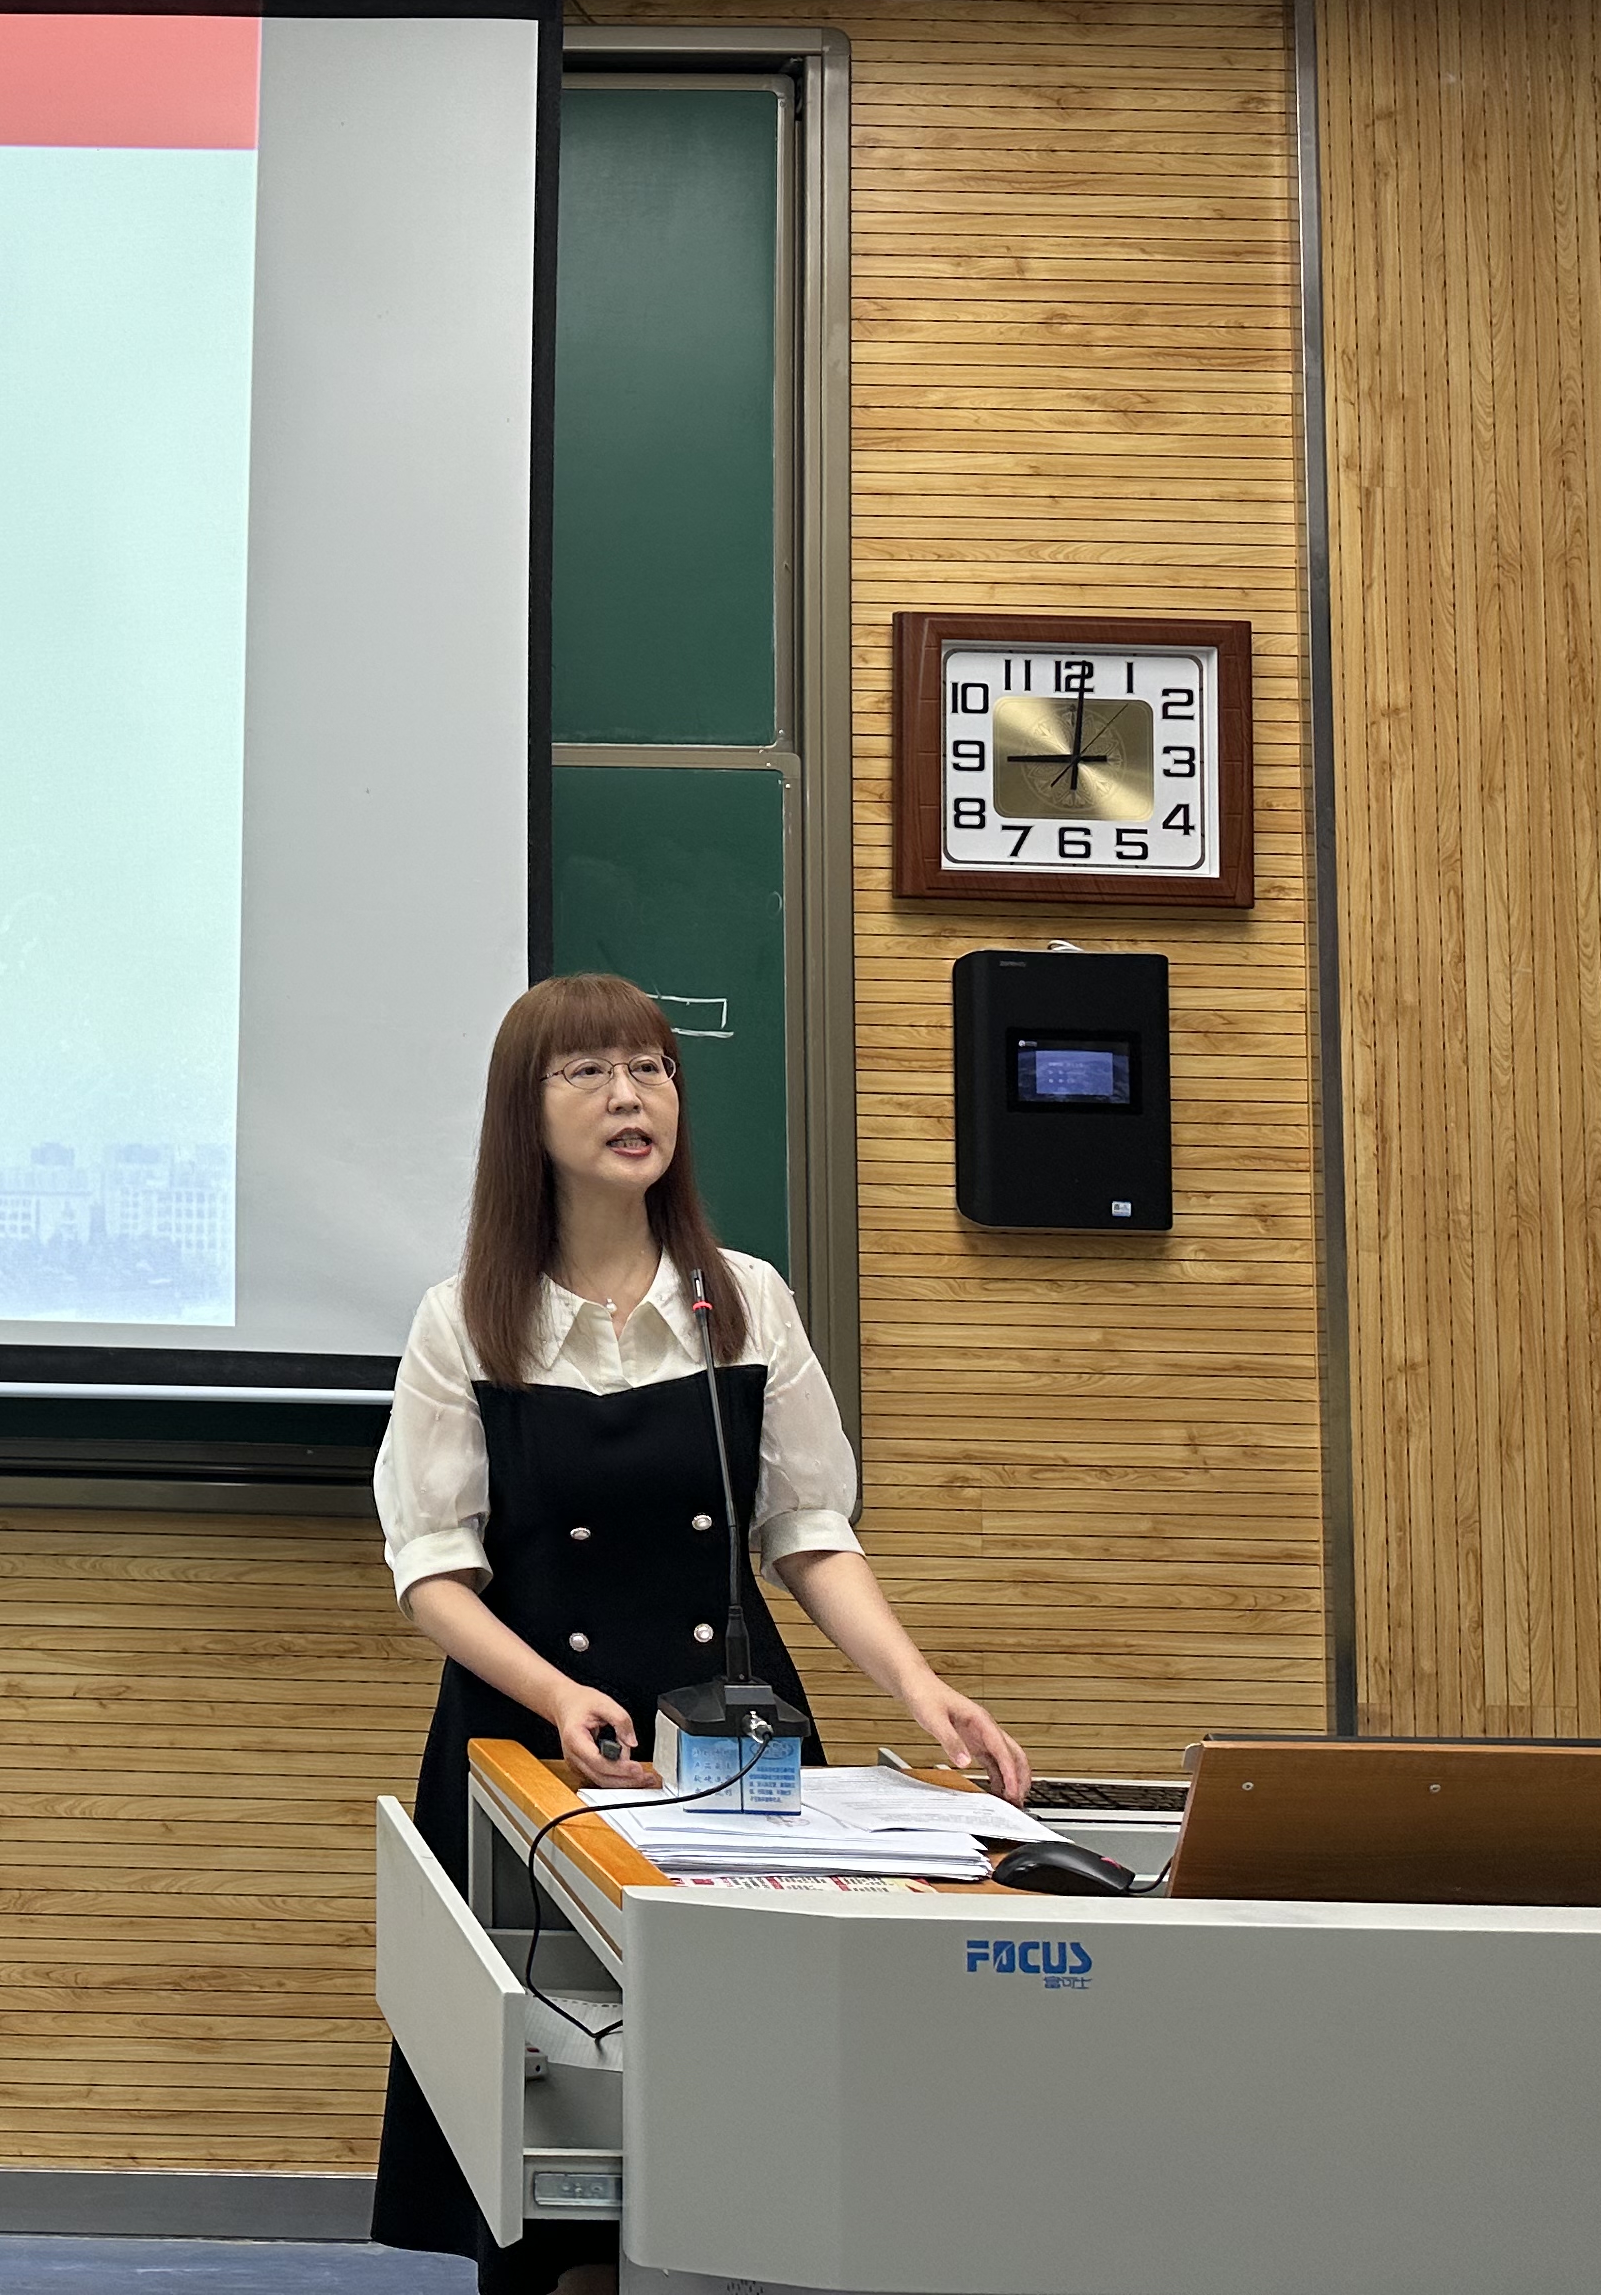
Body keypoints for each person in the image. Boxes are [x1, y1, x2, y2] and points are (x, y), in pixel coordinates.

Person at [367, 972, 1030, 2294]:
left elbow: (810, 1532)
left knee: (752, 2100)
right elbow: (433, 1573)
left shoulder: (746, 1300)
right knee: (555, 2128)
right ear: (523, 1113)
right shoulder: (468, 1319)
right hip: (532, 1743)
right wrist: (554, 1695)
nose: (632, 1097)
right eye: (590, 1072)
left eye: (653, 1069)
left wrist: (920, 1685)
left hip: (731, 1739)